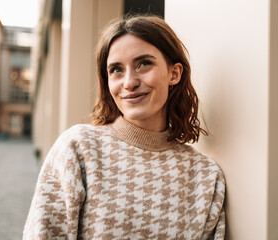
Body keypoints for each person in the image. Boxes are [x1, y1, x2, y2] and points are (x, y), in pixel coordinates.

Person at [23, 14, 225, 239]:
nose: (129, 82)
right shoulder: (78, 149)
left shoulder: (205, 175)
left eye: (144, 63)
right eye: (116, 70)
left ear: (174, 73)